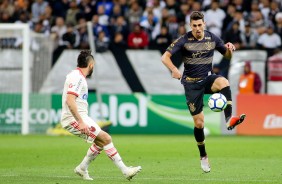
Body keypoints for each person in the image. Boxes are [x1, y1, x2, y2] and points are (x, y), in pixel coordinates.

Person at [161, 11, 246, 173]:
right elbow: (165, 57)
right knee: (199, 123)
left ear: (204, 24)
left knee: (223, 81)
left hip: (207, 79)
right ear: (190, 26)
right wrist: (173, 69)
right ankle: (203, 156)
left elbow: (227, 57)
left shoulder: (212, 38)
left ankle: (229, 119)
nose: (198, 28)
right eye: (194, 26)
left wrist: (229, 49)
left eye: (200, 25)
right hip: (191, 85)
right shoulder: (184, 40)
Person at [61, 50, 141, 181]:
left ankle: (82, 168)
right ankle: (125, 171)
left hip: (79, 117)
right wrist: (80, 122)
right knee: (106, 138)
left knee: (100, 142)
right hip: (72, 119)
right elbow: (70, 100)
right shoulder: (77, 77)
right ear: (91, 65)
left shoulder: (76, 75)